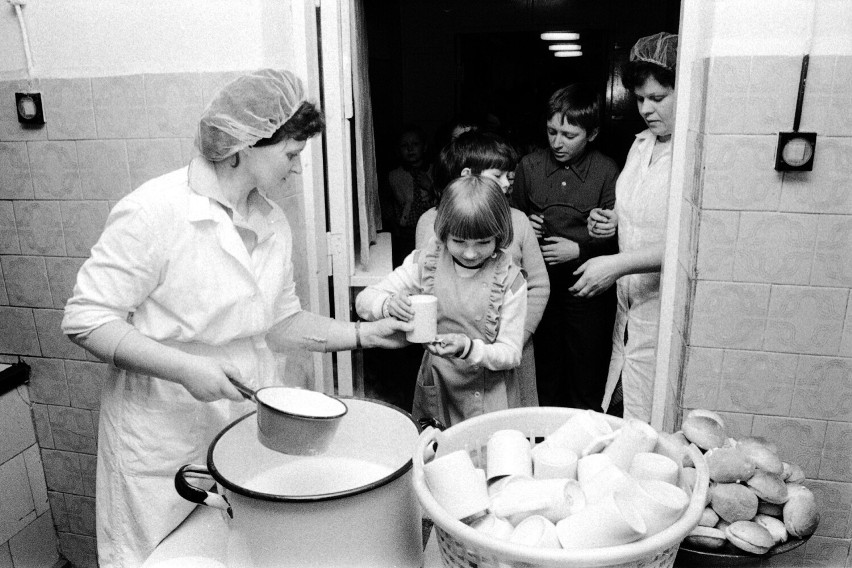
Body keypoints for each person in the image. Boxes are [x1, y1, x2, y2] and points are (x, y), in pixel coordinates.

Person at [61, 69, 412, 568]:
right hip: (162, 438)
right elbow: (86, 319)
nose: (296, 168)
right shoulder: (153, 212)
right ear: (246, 145)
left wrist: (364, 334)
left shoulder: (270, 221)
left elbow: (280, 324)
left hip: (242, 426)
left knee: (239, 552)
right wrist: (184, 368)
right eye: (291, 154)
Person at [356, 175, 528, 427]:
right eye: (459, 241)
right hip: (437, 387)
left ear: (499, 236)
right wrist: (388, 304)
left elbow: (511, 354)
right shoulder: (425, 262)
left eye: (483, 243)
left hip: (489, 395)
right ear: (444, 233)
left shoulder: (510, 281)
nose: (470, 253)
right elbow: (363, 301)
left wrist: (468, 348)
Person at [571, 32, 679, 422]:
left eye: (658, 98)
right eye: (640, 99)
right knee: (622, 402)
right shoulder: (641, 145)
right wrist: (614, 221)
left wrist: (618, 264)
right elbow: (638, 212)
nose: (647, 109)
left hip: (661, 305)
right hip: (628, 303)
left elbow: (686, 245)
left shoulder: (691, 154)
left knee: (654, 418)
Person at [415, 130, 549, 407]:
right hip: (450, 363)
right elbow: (424, 287)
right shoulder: (432, 222)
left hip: (507, 354)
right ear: (468, 176)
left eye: (509, 175)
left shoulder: (519, 221)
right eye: (497, 175)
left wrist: (514, 340)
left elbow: (538, 285)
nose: (507, 183)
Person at [511, 83, 620, 411]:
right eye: (551, 131)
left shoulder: (607, 172)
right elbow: (510, 228)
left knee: (586, 372)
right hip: (539, 288)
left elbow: (623, 240)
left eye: (569, 135)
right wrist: (525, 227)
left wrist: (581, 250)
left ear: (592, 133)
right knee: (544, 370)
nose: (557, 142)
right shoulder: (528, 167)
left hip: (587, 291)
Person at [386, 124, 438, 267]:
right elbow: (389, 205)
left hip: (432, 229)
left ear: (424, 147)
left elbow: (446, 197)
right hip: (405, 233)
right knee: (407, 266)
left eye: (415, 144)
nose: (410, 149)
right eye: (404, 146)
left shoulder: (435, 172)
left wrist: (430, 187)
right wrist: (395, 228)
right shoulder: (394, 176)